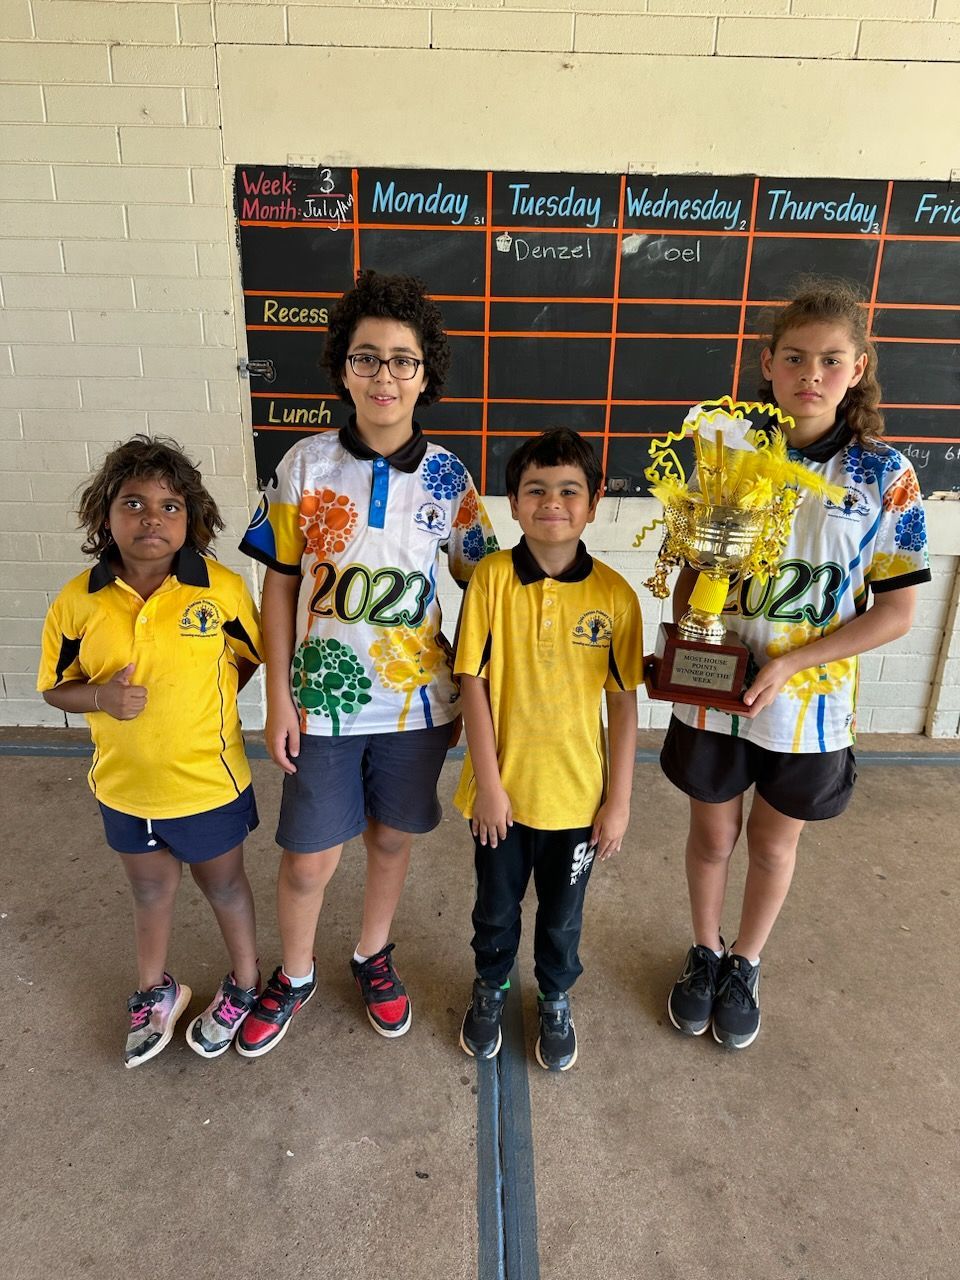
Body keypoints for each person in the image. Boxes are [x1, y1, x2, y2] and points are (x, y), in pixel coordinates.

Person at [663, 281, 931, 1050]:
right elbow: (692, 575)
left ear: (858, 369)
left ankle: (746, 961)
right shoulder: (728, 452)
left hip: (808, 704)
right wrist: (689, 637)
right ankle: (705, 950)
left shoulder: (887, 476)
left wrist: (793, 663)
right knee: (713, 834)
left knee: (774, 843)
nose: (811, 373)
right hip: (716, 689)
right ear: (768, 364)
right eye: (795, 357)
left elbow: (896, 612)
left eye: (830, 360)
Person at [236, 270, 496, 1057]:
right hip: (322, 703)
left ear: (425, 374)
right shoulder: (305, 466)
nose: (385, 375)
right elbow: (280, 586)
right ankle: (296, 972)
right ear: (343, 369)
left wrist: (479, 692)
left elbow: (484, 588)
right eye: (367, 358)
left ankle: (372, 954)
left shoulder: (450, 478)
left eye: (402, 360)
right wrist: (278, 697)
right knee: (308, 858)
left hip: (417, 707)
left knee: (390, 840)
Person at [38, 436, 264, 1067]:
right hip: (124, 787)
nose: (151, 518)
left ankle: (246, 984)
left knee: (225, 887)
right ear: (104, 515)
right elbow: (56, 687)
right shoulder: (77, 601)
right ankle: (154, 990)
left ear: (192, 518)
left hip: (207, 784)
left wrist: (205, 702)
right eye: (133, 503)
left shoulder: (219, 590)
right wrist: (100, 698)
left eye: (170, 506)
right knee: (149, 892)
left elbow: (250, 657)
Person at [455, 429, 643, 1071]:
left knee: (563, 916)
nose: (552, 503)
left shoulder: (615, 596)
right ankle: (491, 985)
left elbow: (623, 704)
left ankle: (555, 995)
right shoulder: (491, 579)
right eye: (535, 490)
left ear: (594, 502)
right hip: (502, 798)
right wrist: (489, 786)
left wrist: (618, 802)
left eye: (569, 490)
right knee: (495, 908)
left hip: (578, 801)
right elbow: (472, 683)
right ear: (513, 503)